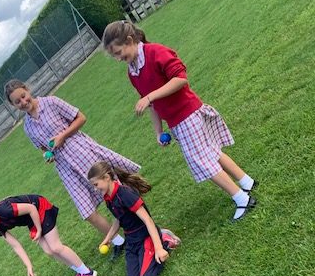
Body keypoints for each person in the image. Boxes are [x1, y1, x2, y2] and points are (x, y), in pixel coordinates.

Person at [101, 21, 257, 223]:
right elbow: (153, 103)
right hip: (177, 122)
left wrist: (149, 97)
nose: (118, 58)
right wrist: (158, 131)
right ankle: (247, 182)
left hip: (189, 114)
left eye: (118, 52)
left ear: (130, 40)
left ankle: (242, 198)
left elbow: (180, 78)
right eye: (114, 55)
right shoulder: (133, 71)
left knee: (202, 162)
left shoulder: (156, 52)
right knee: (212, 153)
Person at [4, 79, 140, 259]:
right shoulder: (28, 127)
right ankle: (118, 241)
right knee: (87, 211)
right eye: (17, 102)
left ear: (28, 90)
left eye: (23, 96)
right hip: (64, 167)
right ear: (13, 105)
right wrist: (48, 155)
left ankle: (139, 223)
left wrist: (62, 136)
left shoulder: (51, 102)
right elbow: (43, 148)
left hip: (80, 151)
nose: (23, 102)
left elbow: (81, 118)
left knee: (114, 192)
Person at [0, 195, 97, 276]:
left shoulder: (3, 210)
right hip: (31, 219)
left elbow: (31, 208)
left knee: (56, 246)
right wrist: (28, 266)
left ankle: (87, 273)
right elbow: (15, 245)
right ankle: (80, 272)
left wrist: (39, 229)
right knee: (49, 251)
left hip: (39, 208)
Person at [88, 161, 178, 276]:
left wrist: (159, 249)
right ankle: (157, 243)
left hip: (145, 236)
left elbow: (147, 220)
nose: (95, 189)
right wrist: (108, 238)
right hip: (132, 241)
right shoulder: (108, 197)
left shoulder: (125, 194)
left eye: (95, 185)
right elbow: (119, 219)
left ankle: (164, 240)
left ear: (106, 178)